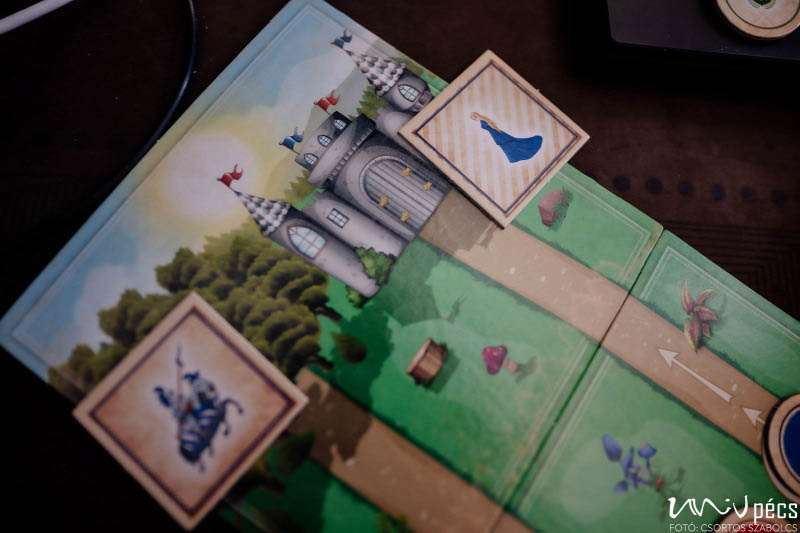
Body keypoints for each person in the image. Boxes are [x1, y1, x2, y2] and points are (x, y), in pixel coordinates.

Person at [470, 112, 542, 164]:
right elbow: (492, 126)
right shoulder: (483, 120)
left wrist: (496, 132)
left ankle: (517, 156)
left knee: (508, 144)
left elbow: (491, 127)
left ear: (477, 115)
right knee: (508, 144)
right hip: (495, 134)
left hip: (496, 134)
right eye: (473, 119)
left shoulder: (483, 121)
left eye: (474, 117)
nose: (475, 119)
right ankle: (516, 156)